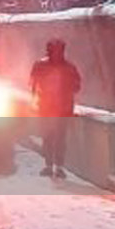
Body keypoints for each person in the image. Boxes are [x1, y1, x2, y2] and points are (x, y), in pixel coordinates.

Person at [30, 39, 82, 178]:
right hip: (54, 108)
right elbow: (77, 87)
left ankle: (53, 166)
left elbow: (33, 85)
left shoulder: (41, 66)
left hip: (54, 108)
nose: (56, 53)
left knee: (54, 138)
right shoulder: (68, 67)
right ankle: (54, 166)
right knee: (55, 138)